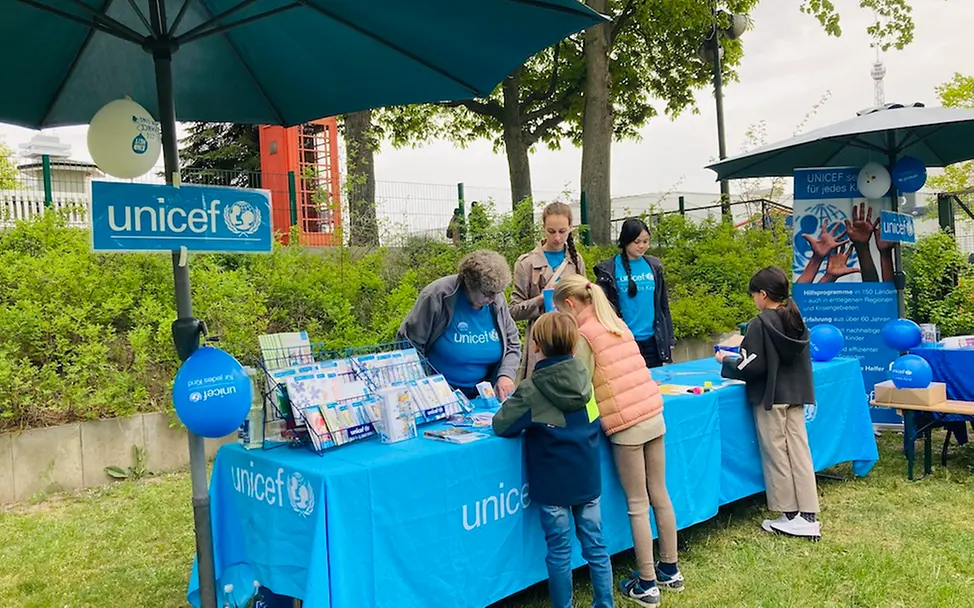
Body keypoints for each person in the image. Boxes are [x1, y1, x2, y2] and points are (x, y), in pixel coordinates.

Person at [553, 275, 682, 606]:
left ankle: (647, 583)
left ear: (569, 305)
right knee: (660, 494)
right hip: (653, 414)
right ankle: (670, 569)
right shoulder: (617, 325)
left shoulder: (584, 336)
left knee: (637, 503)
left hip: (627, 424)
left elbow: (576, 387)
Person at [492, 312, 613, 608]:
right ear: (574, 345)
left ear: (536, 346)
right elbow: (592, 421)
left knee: (559, 551)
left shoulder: (532, 389)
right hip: (586, 476)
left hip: (552, 483)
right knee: (596, 546)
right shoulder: (586, 377)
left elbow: (501, 424)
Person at [716, 266, 820, 540]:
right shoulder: (796, 318)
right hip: (796, 394)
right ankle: (808, 515)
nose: (754, 301)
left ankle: (787, 514)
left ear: (763, 294)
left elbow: (751, 366)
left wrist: (726, 361)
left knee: (776, 453)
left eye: (754, 295)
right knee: (799, 451)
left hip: (771, 398)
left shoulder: (760, 323)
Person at [396, 250, 521, 401]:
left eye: (498, 292)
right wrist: (425, 388)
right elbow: (408, 344)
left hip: (483, 393)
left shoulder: (496, 300)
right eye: (488, 293)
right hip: (438, 393)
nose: (494, 298)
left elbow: (513, 344)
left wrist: (506, 374)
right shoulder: (437, 296)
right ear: (470, 284)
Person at [510, 202, 586, 380]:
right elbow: (513, 310)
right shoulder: (526, 263)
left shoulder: (576, 260)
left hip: (571, 338)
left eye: (562, 232)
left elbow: (585, 301)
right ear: (543, 228)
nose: (557, 238)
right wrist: (541, 298)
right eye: (551, 231)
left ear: (570, 229)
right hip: (540, 341)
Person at [594, 218, 674, 369]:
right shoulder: (608, 269)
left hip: (653, 340)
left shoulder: (654, 265)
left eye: (646, 241)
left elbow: (663, 305)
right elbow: (602, 308)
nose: (642, 246)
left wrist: (668, 337)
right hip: (623, 341)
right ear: (626, 241)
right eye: (637, 242)